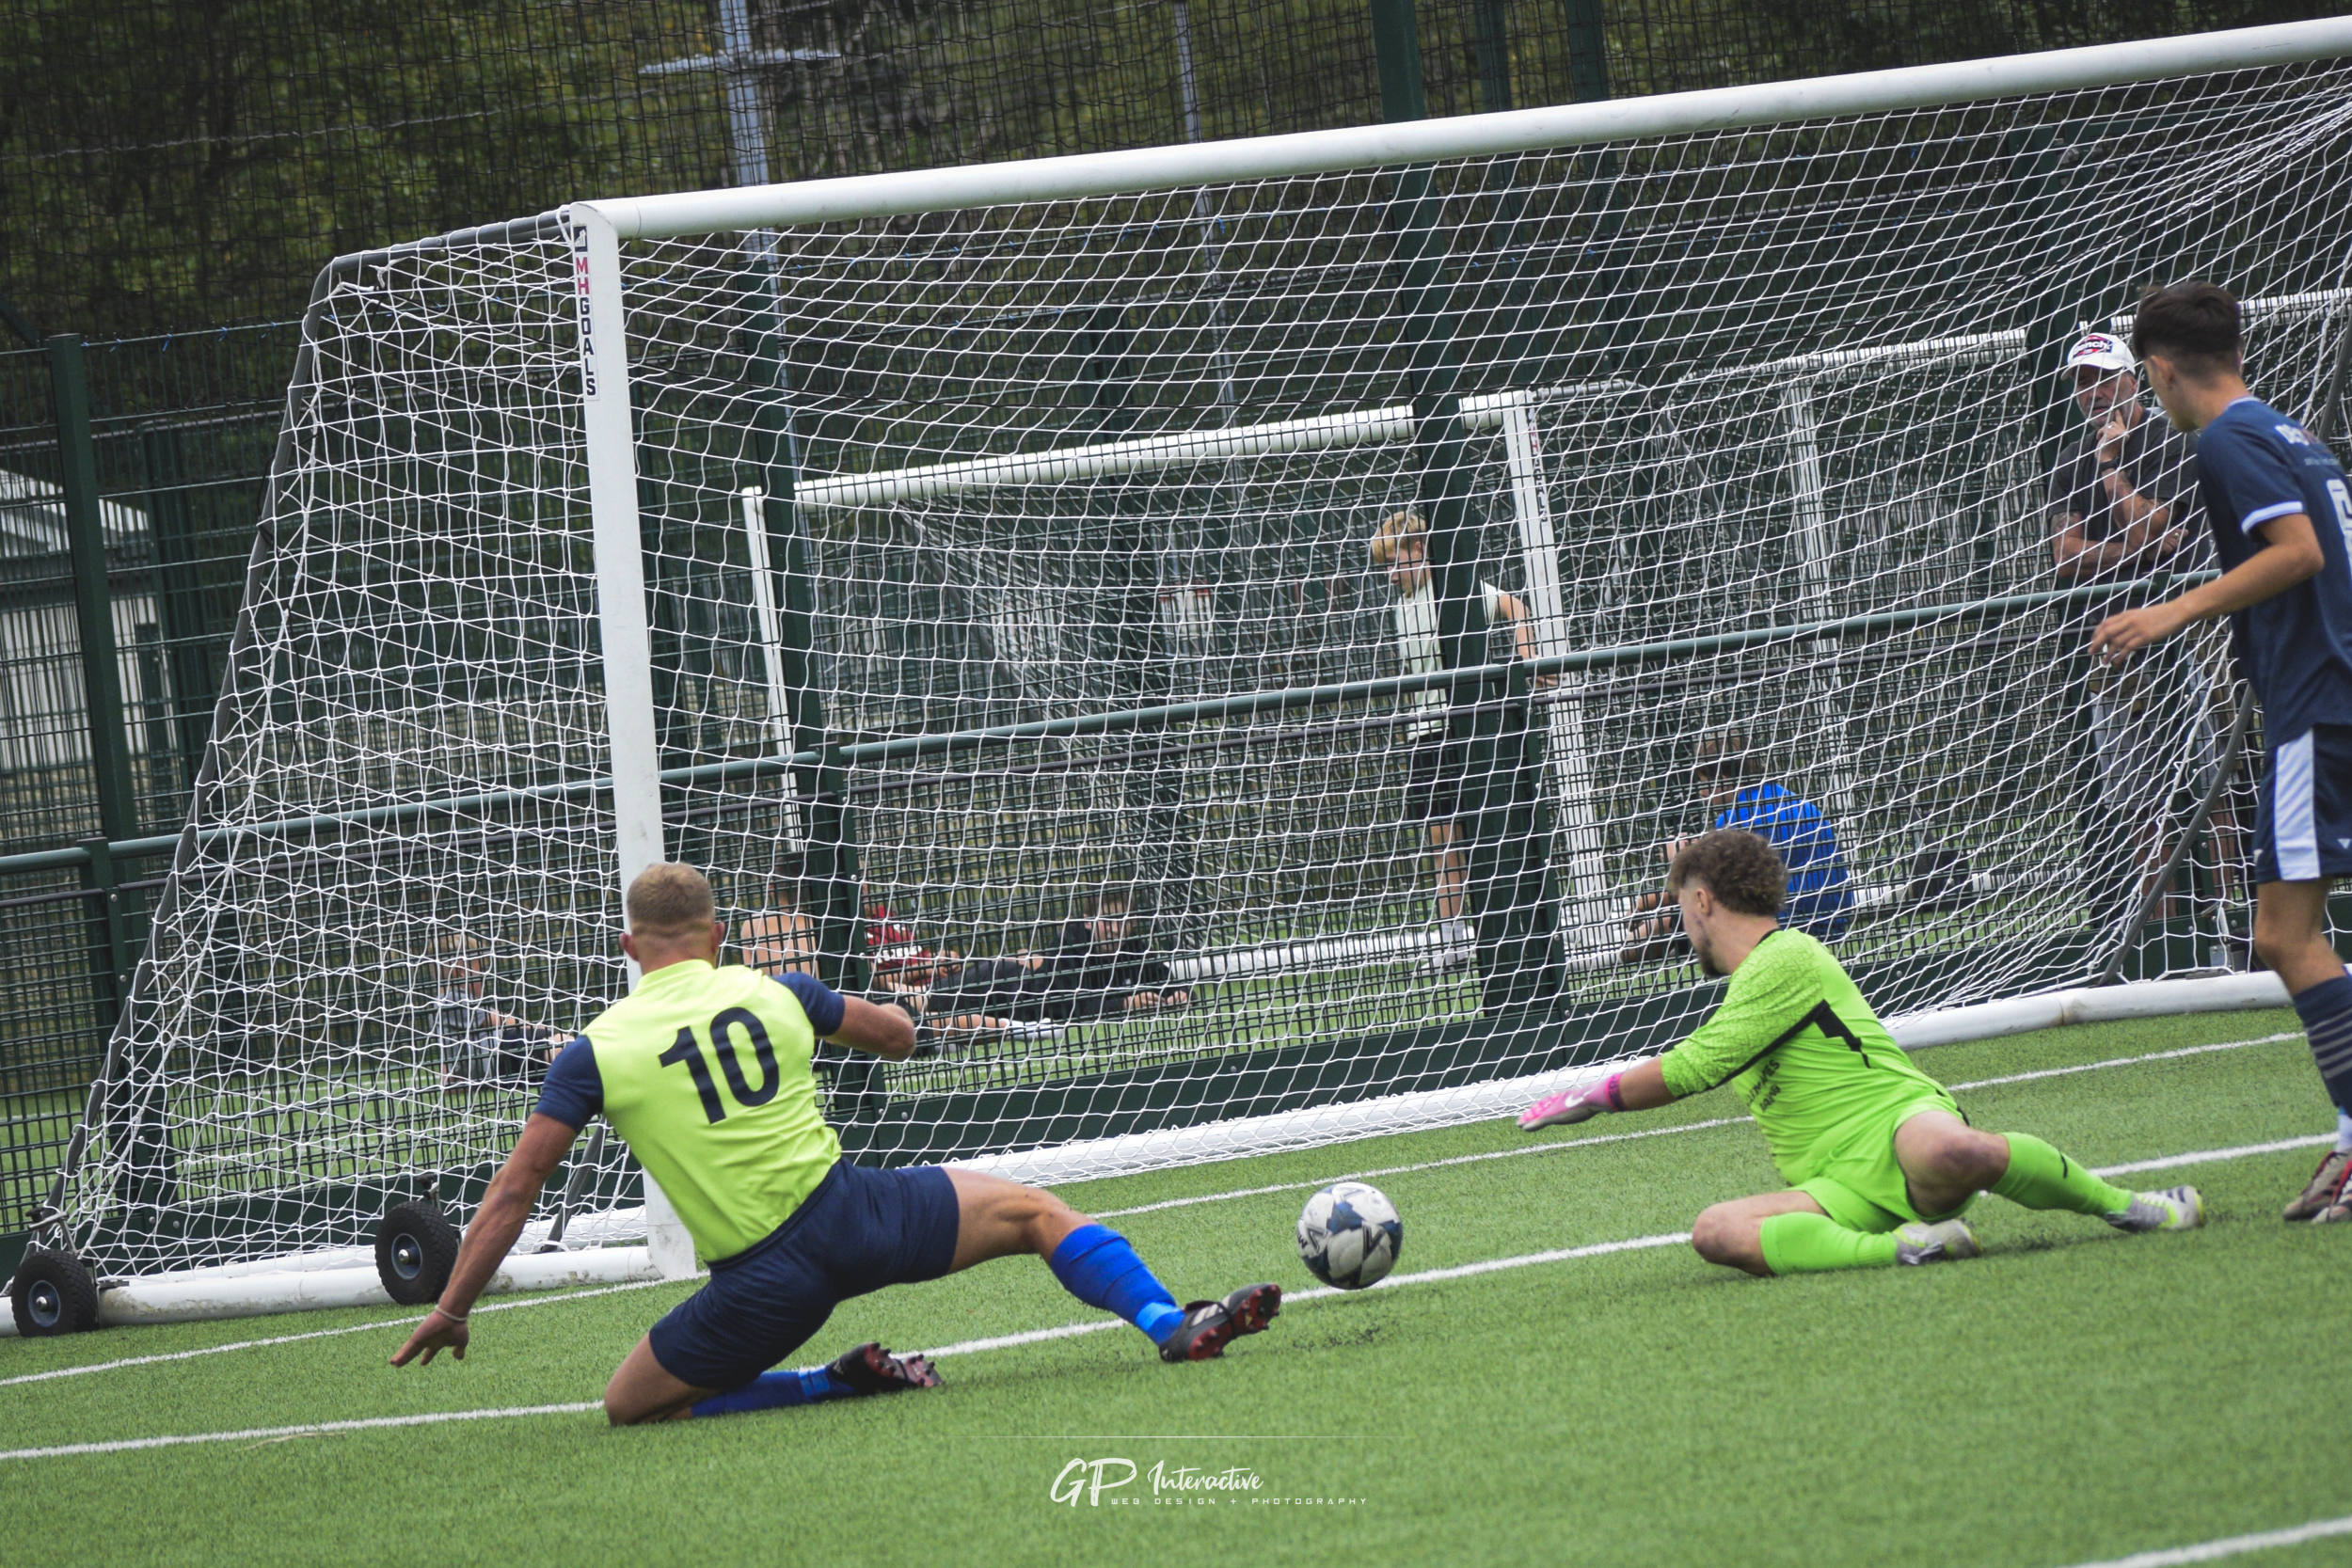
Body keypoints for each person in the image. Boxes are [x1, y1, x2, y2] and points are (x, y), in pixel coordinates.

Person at [390, 863, 1278, 1422]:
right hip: (855, 1215)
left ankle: (828, 1382)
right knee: (1033, 1211)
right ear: (717, 937)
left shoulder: (596, 1050)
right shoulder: (781, 989)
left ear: (629, 946)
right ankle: (1169, 1320)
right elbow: (894, 1033)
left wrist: (454, 1304)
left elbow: (514, 1191)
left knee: (629, 1404)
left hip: (760, 1285)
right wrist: (882, 1005)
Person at [1518, 830, 2202, 1274]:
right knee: (1715, 1231)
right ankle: (1906, 1246)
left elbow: (1695, 1065)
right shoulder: (1747, 982)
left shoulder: (1787, 956)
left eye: (1680, 908)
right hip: (1834, 1185)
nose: (1679, 927)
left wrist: (1592, 1097)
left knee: (1953, 1152)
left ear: (1702, 902)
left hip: (1898, 1125)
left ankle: (2134, 1205)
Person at [2089, 281, 2352, 1225]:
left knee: (2281, 936)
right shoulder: (2292, 433)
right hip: (2329, 698)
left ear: (2158, 369)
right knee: (2287, 930)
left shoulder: (2227, 440)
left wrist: (2170, 608)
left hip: (2315, 707)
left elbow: (2294, 554)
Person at [2046, 328, 2233, 927]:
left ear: (2135, 377)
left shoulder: (2175, 439)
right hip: (2118, 637)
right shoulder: (2072, 457)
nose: (2093, 392)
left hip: (2195, 629)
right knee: (2137, 794)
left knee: (2219, 780)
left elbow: (2156, 533)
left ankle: (2234, 915)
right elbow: (2066, 555)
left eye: (2103, 377)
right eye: (2082, 382)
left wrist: (2114, 476)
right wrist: (2130, 535)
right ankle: (2161, 935)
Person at [1370, 508, 1541, 935]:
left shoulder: (1455, 588)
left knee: (1487, 831)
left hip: (1465, 729)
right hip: (1424, 736)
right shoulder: (1402, 605)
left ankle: (1511, 924)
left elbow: (1514, 607)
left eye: (1394, 563)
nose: (1389, 575)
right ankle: (1452, 934)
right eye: (1383, 567)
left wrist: (1529, 658)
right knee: (1441, 840)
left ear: (1419, 549)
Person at [1621, 728, 1851, 963]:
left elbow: (1714, 885)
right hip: (1832, 920)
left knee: (1638, 944)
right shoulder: (1784, 798)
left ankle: (1648, 936)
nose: (1701, 792)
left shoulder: (1738, 817)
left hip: (1794, 925)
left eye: (1704, 783)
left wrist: (1682, 857)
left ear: (1723, 778)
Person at [891, 886, 1190, 1044]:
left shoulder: (1134, 950)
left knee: (932, 1027)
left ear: (1133, 923)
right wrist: (1126, 1004)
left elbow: (1168, 980)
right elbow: (1073, 1007)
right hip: (1003, 984)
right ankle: (886, 988)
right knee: (914, 1003)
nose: (1114, 928)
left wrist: (1178, 994)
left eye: (1123, 921)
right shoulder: (1071, 944)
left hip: (1015, 1015)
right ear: (1089, 921)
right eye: (1107, 920)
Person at [433, 938, 564, 1093]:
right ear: (461, 971)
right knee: (561, 1044)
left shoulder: (447, 1001)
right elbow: (502, 1020)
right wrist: (545, 1029)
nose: (484, 975)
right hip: (498, 1056)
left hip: (499, 1058)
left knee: (556, 1048)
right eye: (481, 968)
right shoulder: (451, 998)